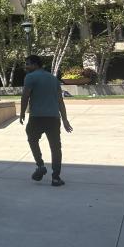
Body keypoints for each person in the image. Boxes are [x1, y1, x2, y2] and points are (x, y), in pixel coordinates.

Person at [20, 55, 73, 187]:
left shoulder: (30, 77)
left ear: (35, 64)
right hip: (53, 118)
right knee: (56, 147)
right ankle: (56, 177)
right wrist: (65, 119)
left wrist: (21, 113)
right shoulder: (53, 78)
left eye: (28, 64)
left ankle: (40, 165)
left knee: (32, 140)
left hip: (36, 117)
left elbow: (25, 96)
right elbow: (60, 101)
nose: (25, 66)